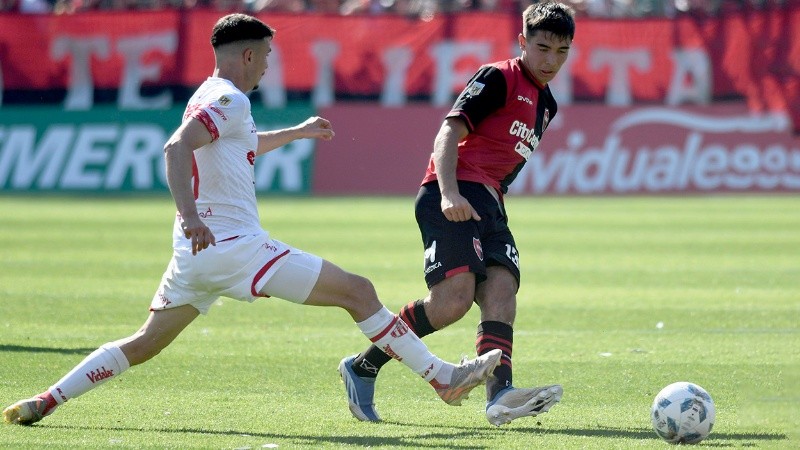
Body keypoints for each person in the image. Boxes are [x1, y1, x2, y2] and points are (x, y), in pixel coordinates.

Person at [2, 13, 502, 426]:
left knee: (144, 343)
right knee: (359, 291)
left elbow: (239, 144)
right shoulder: (231, 98)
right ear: (247, 55)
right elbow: (177, 147)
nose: (267, 65)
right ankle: (441, 377)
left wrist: (299, 132)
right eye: (265, 56)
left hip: (193, 256)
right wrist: (191, 214)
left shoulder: (211, 96)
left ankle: (46, 400)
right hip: (232, 245)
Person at [338, 1, 575, 427]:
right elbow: (449, 131)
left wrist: (490, 204)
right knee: (452, 302)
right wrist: (448, 192)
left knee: (503, 290)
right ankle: (362, 367)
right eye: (542, 48)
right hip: (449, 191)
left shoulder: (547, 104)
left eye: (561, 52)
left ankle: (500, 394)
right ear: (523, 42)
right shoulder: (499, 77)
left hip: (490, 203)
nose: (550, 60)